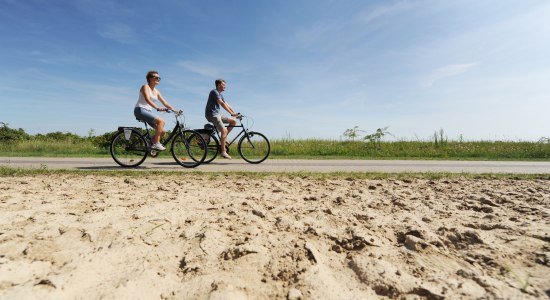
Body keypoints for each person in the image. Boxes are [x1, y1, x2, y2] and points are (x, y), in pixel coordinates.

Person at [134, 70, 175, 151]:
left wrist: (174, 110)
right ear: (150, 78)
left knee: (162, 132)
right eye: (156, 77)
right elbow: (147, 99)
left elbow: (164, 102)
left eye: (159, 78)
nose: (158, 79)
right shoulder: (145, 86)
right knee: (161, 121)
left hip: (148, 112)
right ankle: (156, 144)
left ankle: (152, 144)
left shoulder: (156, 91)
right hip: (140, 110)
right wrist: (157, 108)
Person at [205, 78, 239, 159]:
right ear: (219, 85)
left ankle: (222, 138)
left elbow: (227, 104)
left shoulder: (221, 94)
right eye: (223, 85)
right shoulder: (214, 92)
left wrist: (235, 114)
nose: (225, 86)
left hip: (218, 115)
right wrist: (231, 113)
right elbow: (222, 103)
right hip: (211, 114)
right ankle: (223, 151)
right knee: (224, 130)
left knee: (234, 122)